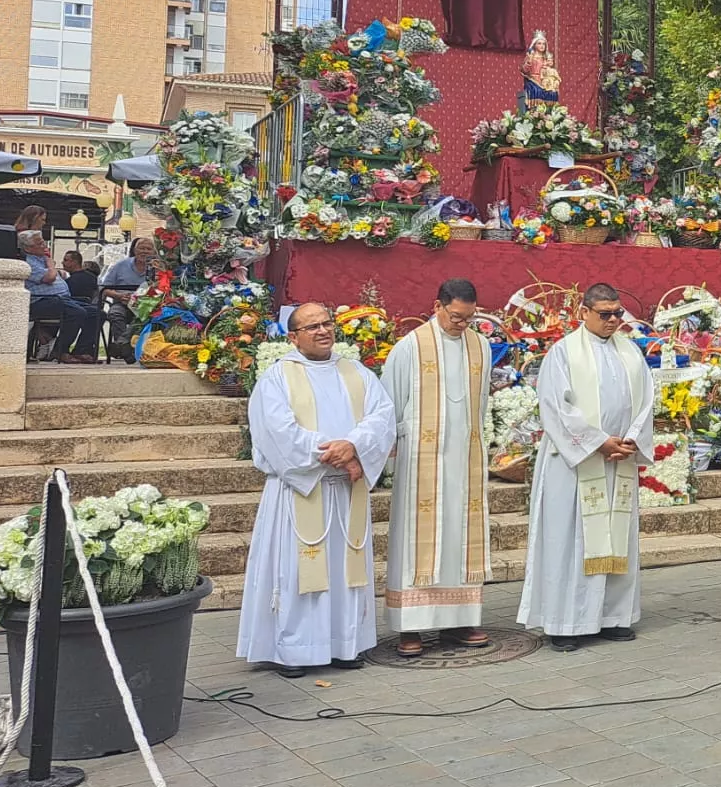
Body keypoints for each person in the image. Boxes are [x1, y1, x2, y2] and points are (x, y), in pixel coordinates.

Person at [236, 302, 395, 677]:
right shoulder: (277, 377)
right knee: (295, 571)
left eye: (327, 323)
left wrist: (354, 445)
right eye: (312, 327)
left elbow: (382, 418)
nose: (323, 331)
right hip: (300, 490)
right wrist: (339, 452)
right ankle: (294, 650)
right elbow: (277, 433)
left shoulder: (356, 372)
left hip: (345, 490)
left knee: (345, 569)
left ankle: (344, 644)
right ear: (293, 337)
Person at [521, 283, 657, 650]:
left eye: (618, 314)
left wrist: (630, 438)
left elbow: (647, 400)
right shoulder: (563, 353)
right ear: (583, 313)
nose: (613, 320)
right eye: (605, 314)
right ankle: (565, 623)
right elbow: (555, 407)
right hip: (576, 464)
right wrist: (598, 441)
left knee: (616, 536)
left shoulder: (631, 352)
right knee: (570, 541)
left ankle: (612, 617)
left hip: (619, 460)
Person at [380, 279, 494, 657]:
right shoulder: (410, 347)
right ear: (438, 306)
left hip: (464, 461)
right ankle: (410, 627)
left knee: (459, 538)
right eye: (456, 317)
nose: (463, 325)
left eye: (469, 318)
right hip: (420, 464)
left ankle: (460, 620)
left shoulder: (481, 346)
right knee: (417, 542)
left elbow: (479, 407)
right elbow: (389, 406)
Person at [20, 229, 102, 364]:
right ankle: (60, 351)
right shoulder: (28, 262)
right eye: (40, 243)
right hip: (40, 301)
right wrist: (51, 265)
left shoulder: (42, 260)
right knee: (76, 312)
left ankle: (82, 350)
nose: (45, 245)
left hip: (61, 299)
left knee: (97, 313)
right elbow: (49, 278)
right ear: (28, 248)